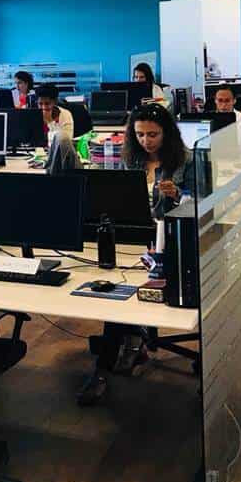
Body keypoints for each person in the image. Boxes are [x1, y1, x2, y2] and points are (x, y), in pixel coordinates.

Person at [79, 104, 194, 407]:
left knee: (119, 302)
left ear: (167, 133)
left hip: (169, 242)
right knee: (116, 292)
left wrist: (178, 196)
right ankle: (131, 341)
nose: (146, 140)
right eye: (140, 134)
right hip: (132, 238)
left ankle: (103, 370)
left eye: (153, 134)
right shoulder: (129, 159)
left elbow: (201, 203)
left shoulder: (186, 161)